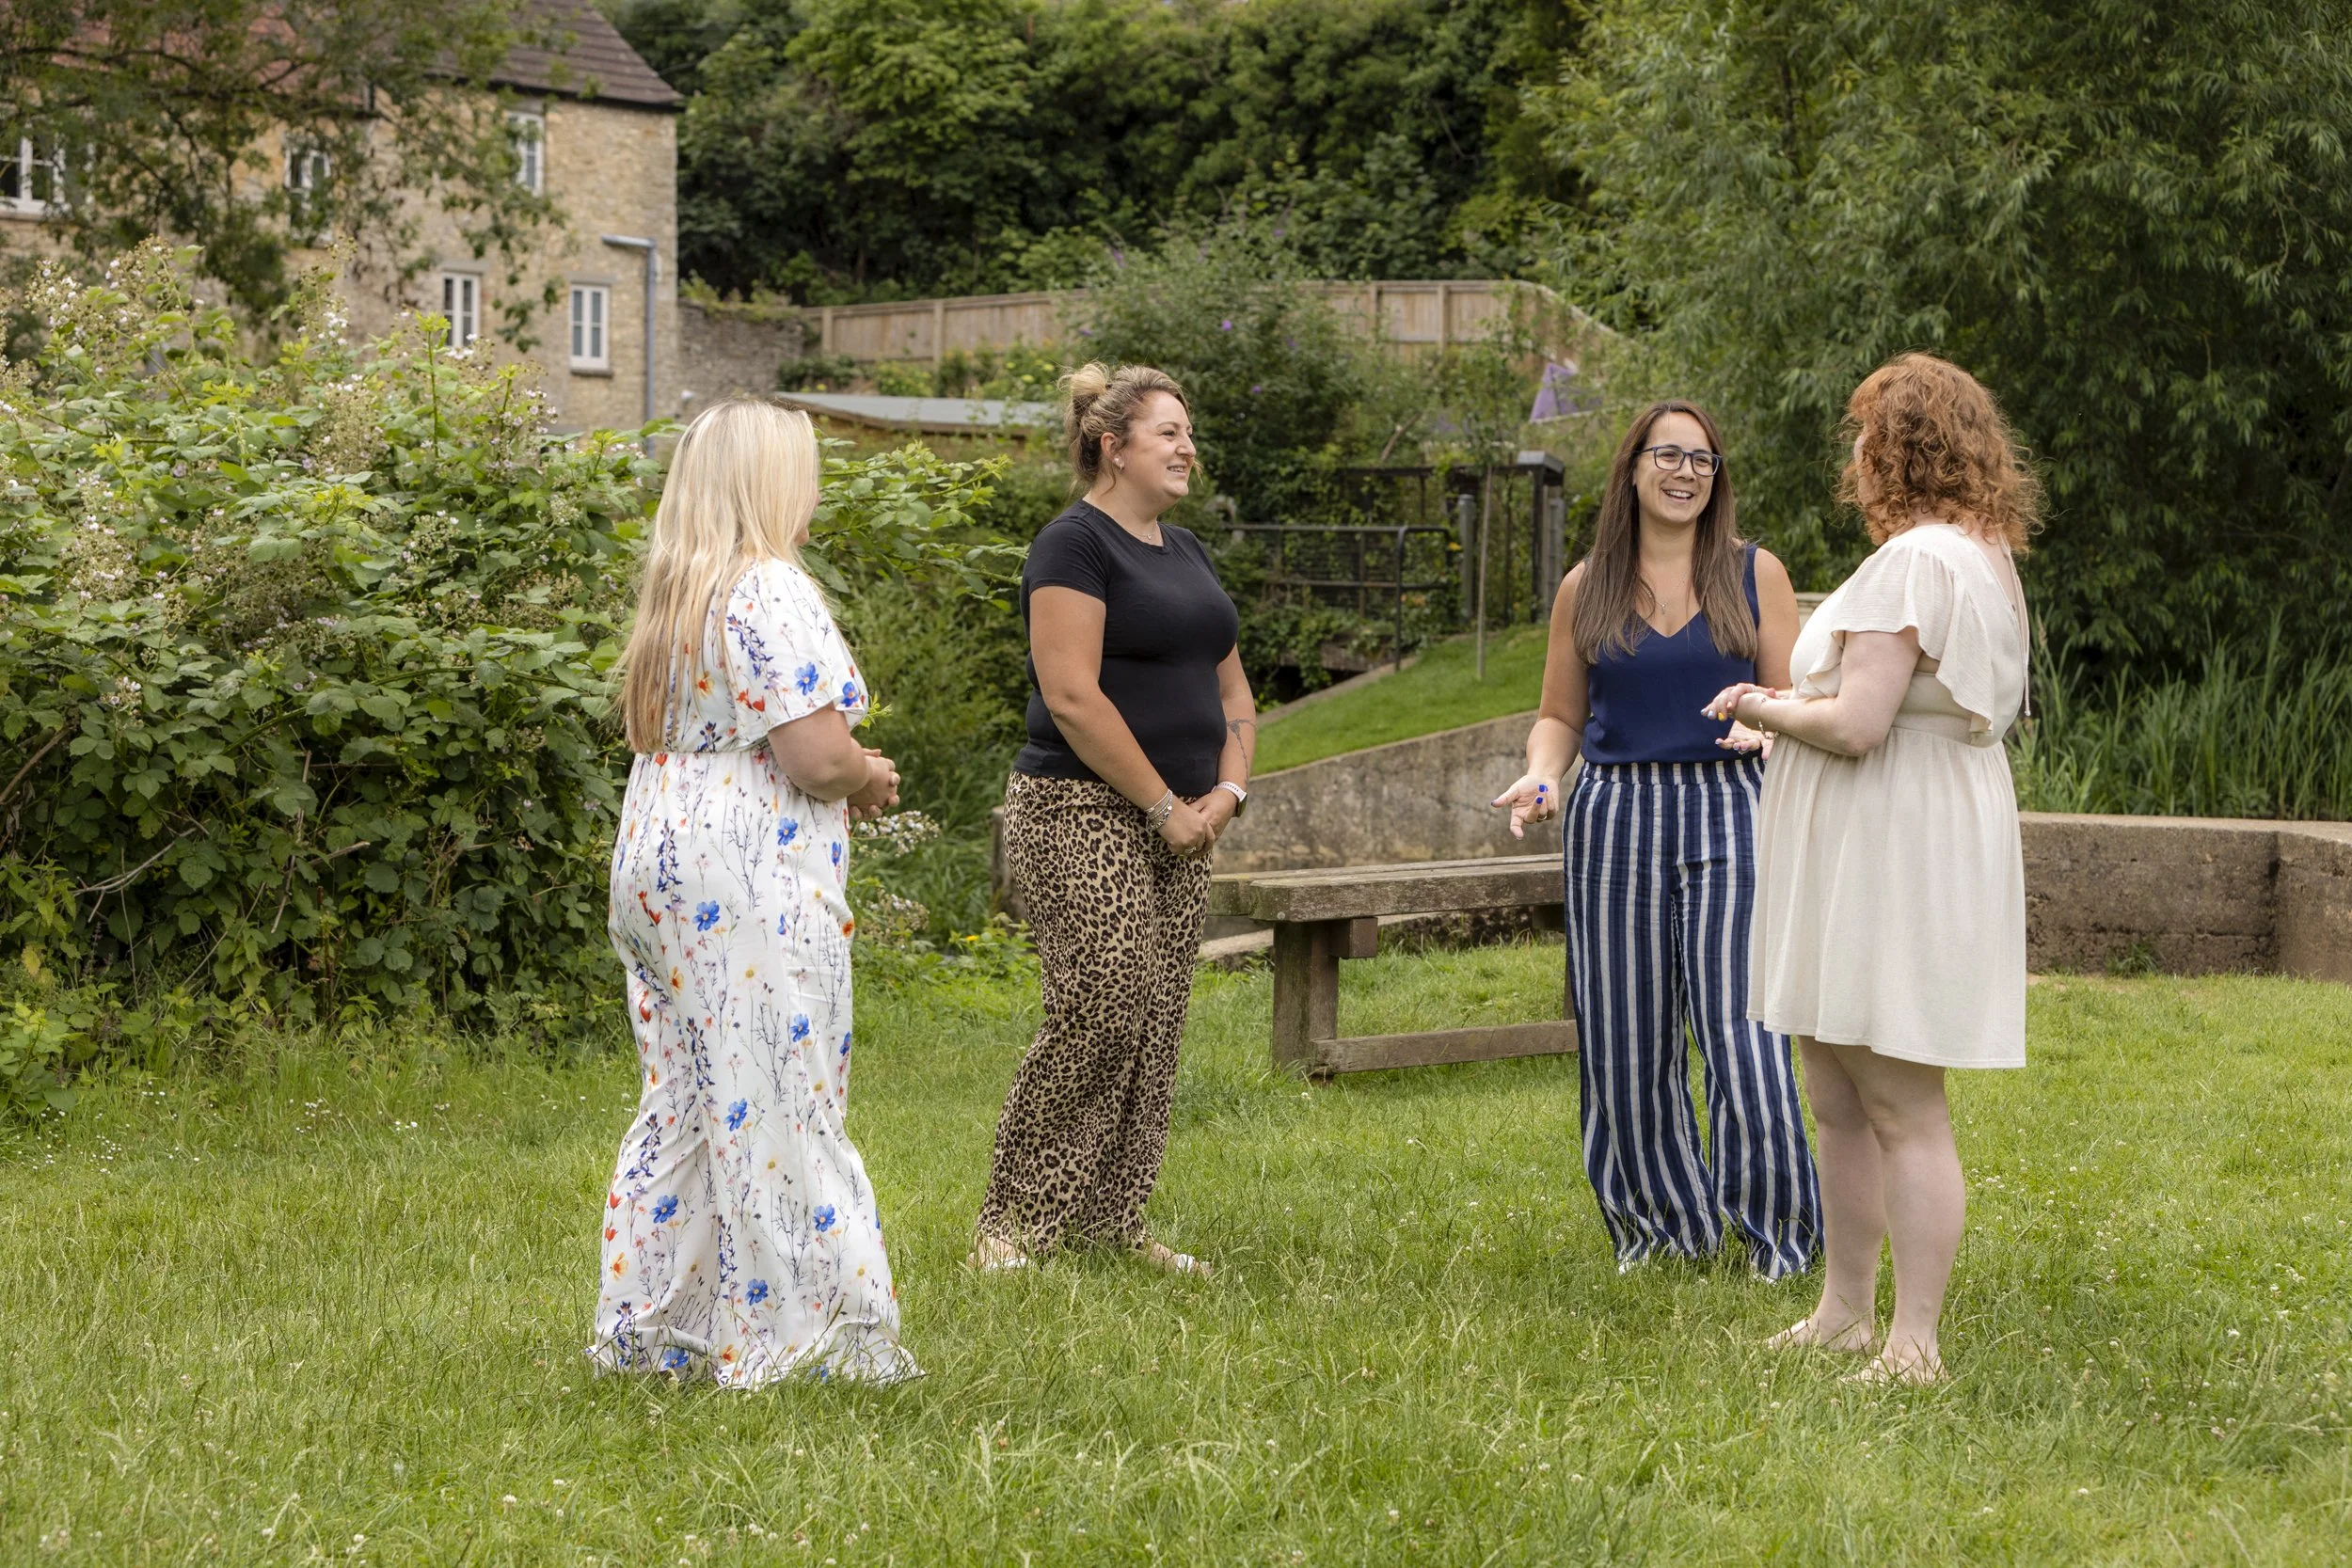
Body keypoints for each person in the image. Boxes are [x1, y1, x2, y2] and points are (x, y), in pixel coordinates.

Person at [1709, 353, 2034, 1385]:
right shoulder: (1985, 556)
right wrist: (1786, 730)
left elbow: (1855, 724)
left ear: (1893, 447)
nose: (1852, 455)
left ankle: (1912, 1343)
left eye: (1861, 435)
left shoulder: (1913, 561)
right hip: (1894, 832)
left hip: (1889, 844)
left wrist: (1757, 706)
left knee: (1896, 1100)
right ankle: (1844, 1310)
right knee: (1839, 1094)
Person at [588, 399, 919, 1387]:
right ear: (768, 483)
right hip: (743, 874)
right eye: (803, 472)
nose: (813, 491)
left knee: (690, 1101)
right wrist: (867, 775)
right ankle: (807, 1345)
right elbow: (813, 754)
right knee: (777, 1096)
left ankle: (654, 1332)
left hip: (658, 855)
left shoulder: (679, 591)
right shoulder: (767, 585)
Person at [1494, 401, 1821, 1279]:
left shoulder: (1758, 573)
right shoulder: (1586, 585)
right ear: (1632, 467)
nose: (1686, 473)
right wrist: (1543, 772)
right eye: (1668, 455)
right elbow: (1560, 715)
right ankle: (1661, 1230)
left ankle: (1781, 1239)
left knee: (1744, 1030)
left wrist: (1771, 727)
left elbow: (1793, 703)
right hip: (1614, 816)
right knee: (1622, 1035)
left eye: (1703, 460)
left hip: (1731, 808)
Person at [972, 362, 1254, 1277]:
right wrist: (1163, 802)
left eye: (1187, 431)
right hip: (1077, 805)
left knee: (1156, 1018)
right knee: (1098, 1008)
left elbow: (1234, 690)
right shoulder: (1073, 544)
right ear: (1112, 444)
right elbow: (1071, 694)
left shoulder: (1191, 554)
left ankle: (1111, 1223)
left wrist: (1227, 791)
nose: (1187, 447)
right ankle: (1011, 1226)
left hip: (1184, 817)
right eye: (1167, 431)